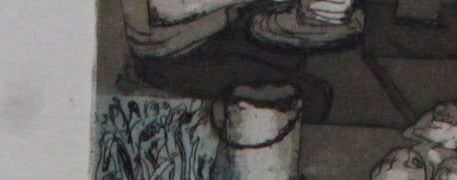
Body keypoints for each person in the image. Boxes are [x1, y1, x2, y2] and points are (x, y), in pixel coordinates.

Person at [119, 0, 333, 124]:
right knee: (313, 97)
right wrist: (223, 18)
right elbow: (144, 42)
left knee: (290, 51)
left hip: (227, 32)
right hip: (172, 57)